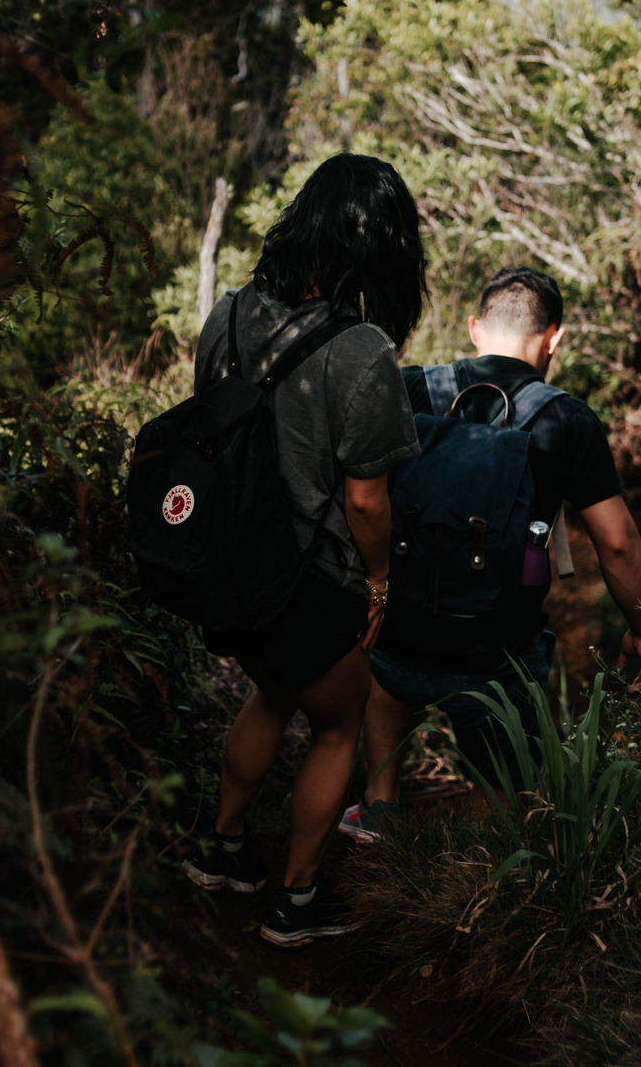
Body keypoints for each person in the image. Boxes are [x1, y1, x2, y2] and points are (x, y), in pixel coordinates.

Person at [178, 153, 427, 946]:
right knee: (337, 724)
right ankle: (296, 901)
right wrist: (382, 582)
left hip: (225, 568)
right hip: (310, 583)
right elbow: (365, 498)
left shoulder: (225, 315)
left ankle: (222, 849)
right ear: (381, 247)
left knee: (275, 691)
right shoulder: (362, 353)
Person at [342, 266, 641, 839]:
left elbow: (357, 495)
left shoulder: (412, 388)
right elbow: (617, 541)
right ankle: (499, 845)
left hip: (402, 628)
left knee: (387, 673)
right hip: (496, 648)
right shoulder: (567, 419)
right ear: (553, 336)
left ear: (474, 328)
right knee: (513, 760)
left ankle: (379, 805)